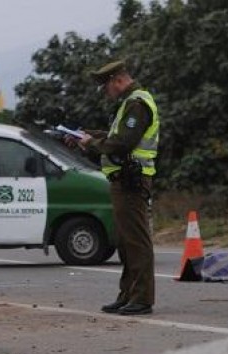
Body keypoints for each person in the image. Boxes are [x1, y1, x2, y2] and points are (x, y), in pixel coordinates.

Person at [66, 59, 159, 315]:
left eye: (106, 87)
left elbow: (122, 144)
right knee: (124, 240)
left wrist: (91, 143)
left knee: (136, 240)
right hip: (123, 180)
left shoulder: (138, 104)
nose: (105, 93)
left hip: (132, 180)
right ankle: (128, 294)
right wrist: (87, 135)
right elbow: (114, 135)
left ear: (118, 80)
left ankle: (142, 298)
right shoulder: (128, 104)